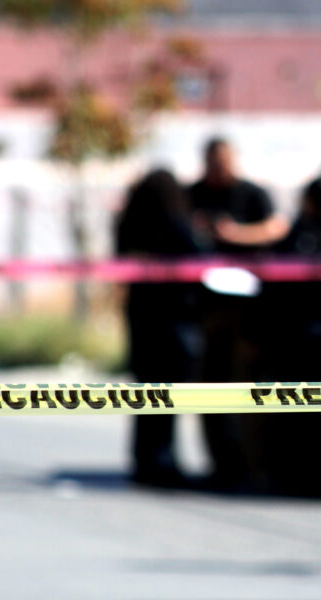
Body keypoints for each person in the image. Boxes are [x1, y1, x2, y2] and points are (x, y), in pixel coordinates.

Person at [241, 175, 321, 494]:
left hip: (317, 333)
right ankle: (295, 471)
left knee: (312, 408)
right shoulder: (306, 237)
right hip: (295, 335)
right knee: (295, 407)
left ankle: (312, 472)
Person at [188, 137, 288, 492]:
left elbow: (276, 227)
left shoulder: (251, 194)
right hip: (208, 307)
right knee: (210, 388)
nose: (220, 169)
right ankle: (221, 464)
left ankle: (254, 465)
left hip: (248, 309)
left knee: (247, 387)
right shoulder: (194, 195)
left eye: (225, 162)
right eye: (214, 163)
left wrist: (235, 234)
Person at [116, 169, 207, 488]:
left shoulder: (130, 223)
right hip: (173, 318)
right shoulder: (176, 223)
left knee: (145, 392)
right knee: (168, 395)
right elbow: (198, 255)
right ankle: (163, 460)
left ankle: (145, 459)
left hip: (142, 316)